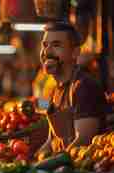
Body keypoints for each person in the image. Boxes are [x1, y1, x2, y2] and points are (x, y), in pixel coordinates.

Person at [36, 22, 108, 154]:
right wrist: (34, 161)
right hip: (60, 168)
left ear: (75, 52)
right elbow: (51, 141)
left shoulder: (84, 87)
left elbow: (83, 140)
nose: (47, 51)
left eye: (56, 45)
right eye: (45, 45)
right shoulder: (53, 91)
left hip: (83, 171)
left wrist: (50, 165)